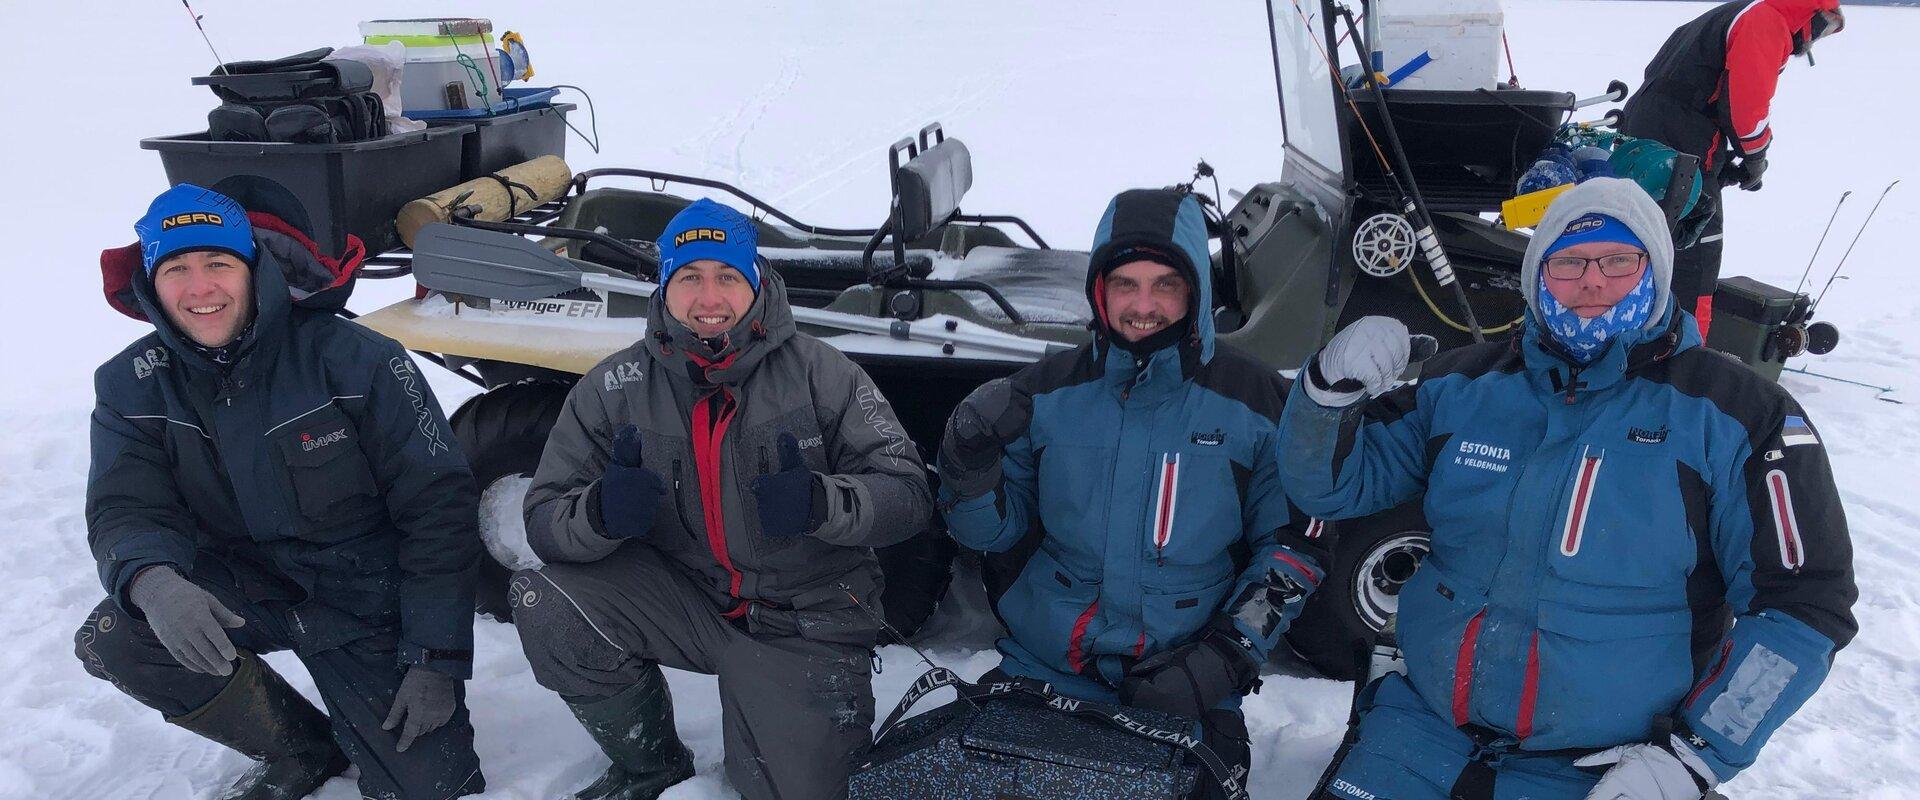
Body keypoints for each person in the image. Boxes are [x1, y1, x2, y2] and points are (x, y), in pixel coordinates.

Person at [1282, 178, 1856, 800]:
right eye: (1568, 262)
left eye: (1618, 261)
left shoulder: (1738, 414)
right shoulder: (1464, 385)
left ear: (1655, 272)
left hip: (1607, 770)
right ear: (1536, 276)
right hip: (1422, 733)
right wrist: (1324, 398)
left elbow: (1802, 605)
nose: (1592, 281)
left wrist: (1696, 757)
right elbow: (1334, 488)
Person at [511, 198, 932, 800]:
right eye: (690, 277)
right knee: (545, 598)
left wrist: (822, 503)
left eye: (727, 277)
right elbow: (544, 518)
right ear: (664, 286)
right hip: (687, 600)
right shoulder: (613, 387)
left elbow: (909, 494)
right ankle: (649, 766)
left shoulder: (824, 373)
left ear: (755, 281)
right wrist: (599, 514)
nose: (709, 299)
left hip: (803, 619)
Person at [75, 184, 486, 800]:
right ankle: (298, 745)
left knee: (430, 788)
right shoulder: (130, 385)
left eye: (219, 263)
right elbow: (126, 504)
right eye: (177, 269)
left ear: (252, 267)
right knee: (119, 634)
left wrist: (438, 656)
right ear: (151, 285)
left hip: (366, 599)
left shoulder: (357, 359)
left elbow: (439, 509)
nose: (200, 287)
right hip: (243, 591)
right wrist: (152, 581)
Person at [937, 188, 1329, 798]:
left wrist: (1222, 658)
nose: (1143, 307)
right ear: (1099, 290)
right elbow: (989, 533)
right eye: (1124, 284)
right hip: (1044, 670)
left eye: (1165, 285)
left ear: (1196, 289)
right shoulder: (1043, 394)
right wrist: (967, 471)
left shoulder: (1253, 400)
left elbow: (1291, 553)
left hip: (1185, 681)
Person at [1621, 0, 1845, 335]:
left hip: (1646, 132)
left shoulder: (1730, 14)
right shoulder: (1767, 21)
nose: (1813, 42)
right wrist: (1756, 156)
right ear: (1812, 15)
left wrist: (1723, 163)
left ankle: (1628, 332)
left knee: (1641, 237)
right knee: (1695, 249)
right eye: (1824, 30)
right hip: (1680, 146)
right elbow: (1745, 107)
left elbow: (1697, 88)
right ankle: (1683, 352)